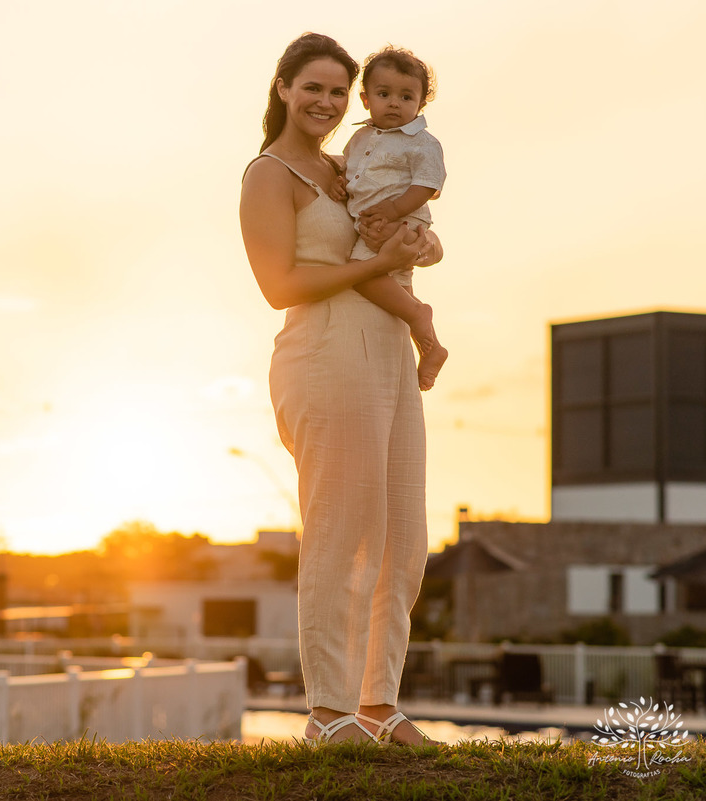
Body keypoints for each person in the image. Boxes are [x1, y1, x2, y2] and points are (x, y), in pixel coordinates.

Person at [239, 32, 441, 746]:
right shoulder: (269, 174)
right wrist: (378, 263)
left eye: (335, 90)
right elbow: (278, 286)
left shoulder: (348, 164)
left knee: (403, 538)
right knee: (344, 531)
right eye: (312, 87)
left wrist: (415, 255)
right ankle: (329, 712)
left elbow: (401, 238)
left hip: (387, 353)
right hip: (325, 353)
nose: (324, 102)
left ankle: (378, 704)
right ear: (284, 88)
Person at [335, 46, 447, 391]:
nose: (395, 103)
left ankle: (418, 315)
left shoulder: (422, 143)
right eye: (384, 95)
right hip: (373, 223)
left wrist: (394, 211)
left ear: (421, 104)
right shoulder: (359, 137)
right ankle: (430, 348)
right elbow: (351, 171)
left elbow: (428, 184)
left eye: (406, 96)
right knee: (398, 285)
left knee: (362, 274)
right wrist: (341, 183)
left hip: (402, 222)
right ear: (366, 99)